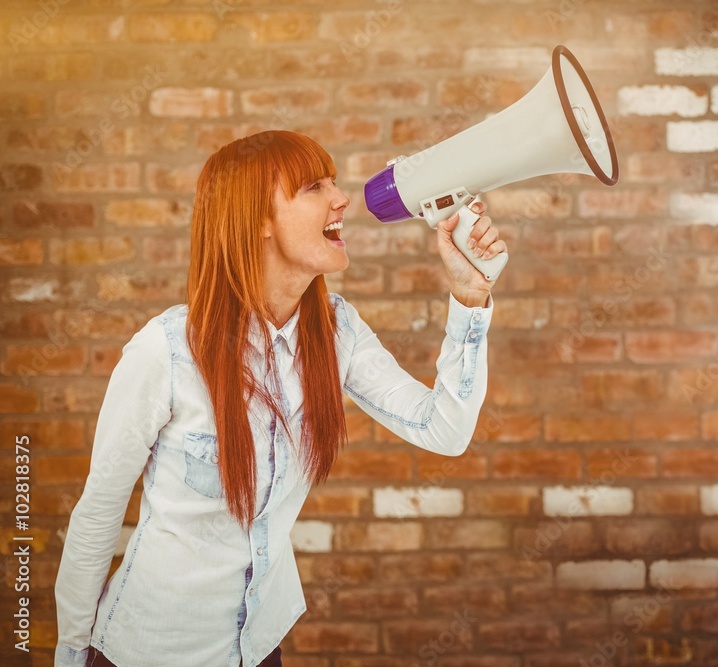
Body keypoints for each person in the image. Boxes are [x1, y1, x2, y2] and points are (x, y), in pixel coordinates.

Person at [54, 130, 505, 667]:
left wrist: (470, 298)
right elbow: (99, 511)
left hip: (260, 646)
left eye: (333, 182)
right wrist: (70, 654)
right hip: (151, 648)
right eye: (314, 187)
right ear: (258, 222)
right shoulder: (168, 352)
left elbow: (444, 431)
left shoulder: (337, 331)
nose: (341, 199)